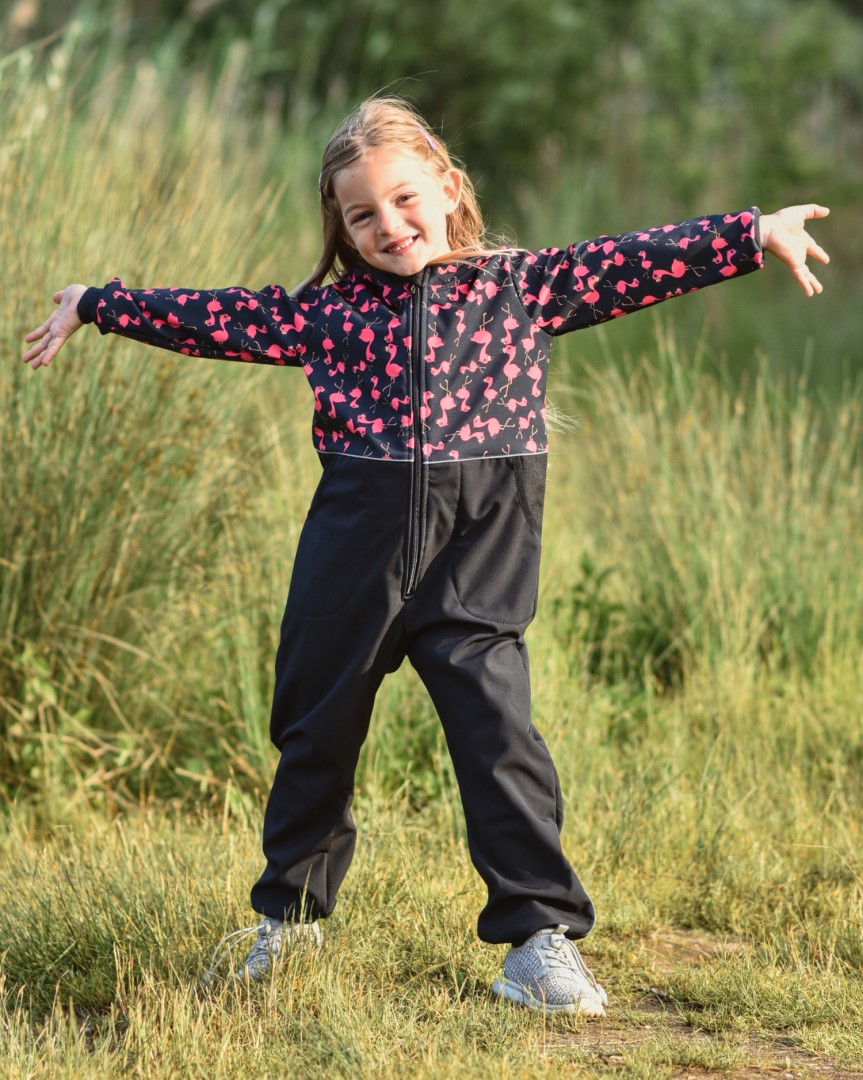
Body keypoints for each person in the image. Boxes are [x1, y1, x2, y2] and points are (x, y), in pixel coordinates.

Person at [22, 97, 830, 1016]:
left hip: (477, 563)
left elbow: (629, 262)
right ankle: (286, 925)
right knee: (312, 733)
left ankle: (538, 942)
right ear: (339, 223)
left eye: (404, 200)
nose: (388, 226)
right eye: (361, 215)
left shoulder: (519, 288)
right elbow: (219, 316)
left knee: (498, 737)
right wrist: (99, 304)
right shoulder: (326, 316)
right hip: (351, 558)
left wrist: (749, 232)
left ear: (447, 189)